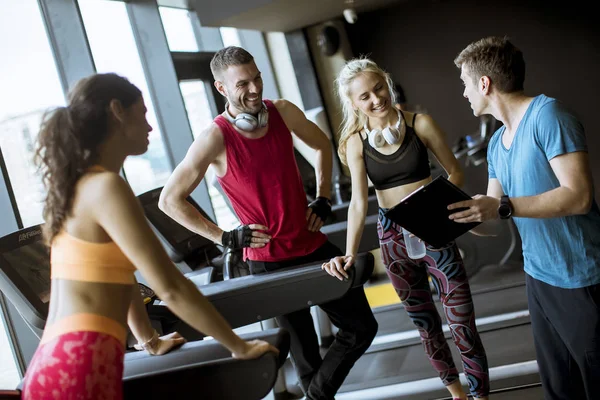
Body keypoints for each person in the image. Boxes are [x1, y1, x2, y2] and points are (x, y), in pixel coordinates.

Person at [21, 73, 278, 400]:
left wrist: (149, 340)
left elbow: (120, 274)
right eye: (142, 114)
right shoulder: (106, 187)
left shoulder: (82, 187)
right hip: (79, 366)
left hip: (58, 362)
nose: (150, 128)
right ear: (117, 111)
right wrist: (238, 346)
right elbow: (171, 287)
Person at [158, 46, 378, 400]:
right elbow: (169, 200)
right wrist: (225, 238)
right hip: (268, 263)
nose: (255, 89)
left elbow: (322, 145)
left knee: (361, 327)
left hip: (313, 246)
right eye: (243, 83)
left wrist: (321, 197)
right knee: (304, 354)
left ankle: (316, 396)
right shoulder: (214, 138)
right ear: (221, 88)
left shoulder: (283, 112)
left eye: (257, 77)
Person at [323, 57, 490, 400]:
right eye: (365, 96)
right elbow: (358, 203)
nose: (376, 99)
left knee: (462, 324)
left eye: (379, 88)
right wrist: (351, 252)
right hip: (392, 238)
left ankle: (481, 396)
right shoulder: (356, 143)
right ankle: (457, 394)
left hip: (432, 229)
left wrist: (434, 210)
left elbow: (454, 172)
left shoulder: (420, 123)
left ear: (388, 83)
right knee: (426, 327)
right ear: (354, 104)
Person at [450, 35, 600, 400]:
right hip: (539, 279)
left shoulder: (549, 115)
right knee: (560, 390)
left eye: (466, 85)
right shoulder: (498, 144)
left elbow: (578, 196)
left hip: (581, 276)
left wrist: (500, 207)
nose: (465, 93)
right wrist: (453, 222)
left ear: (484, 83)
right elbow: (493, 214)